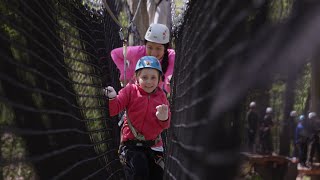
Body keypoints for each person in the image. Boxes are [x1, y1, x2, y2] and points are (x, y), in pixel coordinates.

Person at [105, 56, 171, 180]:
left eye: (153, 78)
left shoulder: (161, 96)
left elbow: (165, 125)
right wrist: (113, 98)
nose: (149, 82)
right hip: (131, 145)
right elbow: (114, 110)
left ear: (159, 80)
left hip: (154, 146)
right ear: (136, 78)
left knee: (157, 175)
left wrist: (164, 118)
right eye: (144, 77)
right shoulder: (130, 91)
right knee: (140, 171)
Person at [111, 23, 175, 95]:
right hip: (133, 94)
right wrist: (126, 72)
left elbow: (168, 87)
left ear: (165, 48)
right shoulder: (137, 52)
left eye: (158, 48)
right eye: (150, 47)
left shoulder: (171, 56)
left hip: (155, 96)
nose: (153, 53)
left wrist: (169, 83)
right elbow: (114, 53)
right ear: (145, 45)